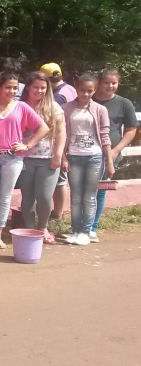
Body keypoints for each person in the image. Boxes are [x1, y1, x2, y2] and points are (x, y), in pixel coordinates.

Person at [0, 72, 49, 249]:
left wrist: (27, 145)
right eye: (8, 87)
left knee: (5, 198)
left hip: (12, 158)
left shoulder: (22, 107)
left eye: (15, 88)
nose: (12, 91)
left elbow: (43, 127)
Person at [60, 74, 114, 246]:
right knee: (76, 196)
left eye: (90, 91)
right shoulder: (66, 108)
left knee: (89, 197)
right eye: (83, 90)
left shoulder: (100, 110)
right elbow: (60, 135)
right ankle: (75, 229)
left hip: (94, 157)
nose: (86, 94)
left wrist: (110, 162)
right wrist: (63, 157)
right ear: (77, 88)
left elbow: (105, 137)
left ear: (95, 90)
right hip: (74, 156)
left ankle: (86, 231)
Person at [17, 72, 66, 244]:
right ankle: (30, 230)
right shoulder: (19, 106)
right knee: (28, 196)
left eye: (43, 87)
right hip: (24, 159)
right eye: (36, 87)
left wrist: (58, 154)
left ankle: (43, 227)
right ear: (28, 87)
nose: (39, 91)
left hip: (48, 158)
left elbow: (61, 132)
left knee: (44, 196)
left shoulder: (54, 107)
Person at [91, 68, 139, 239]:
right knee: (82, 191)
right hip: (84, 154)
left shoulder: (124, 103)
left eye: (114, 83)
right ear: (99, 82)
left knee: (100, 191)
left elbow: (131, 130)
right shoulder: (87, 98)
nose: (110, 86)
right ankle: (80, 226)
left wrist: (116, 150)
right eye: (106, 82)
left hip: (110, 156)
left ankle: (92, 228)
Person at [43, 62, 78, 220]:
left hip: (61, 139)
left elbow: (54, 123)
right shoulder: (70, 88)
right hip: (73, 137)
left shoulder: (57, 96)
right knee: (62, 179)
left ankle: (57, 213)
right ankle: (59, 212)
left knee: (59, 180)